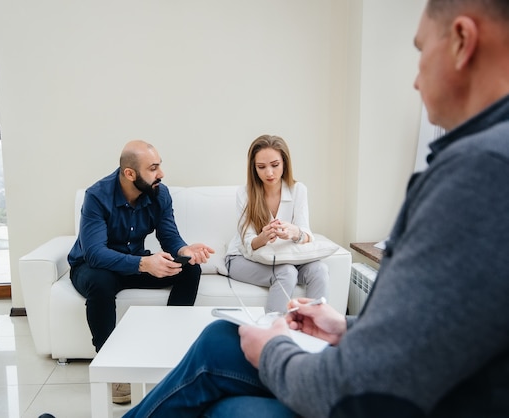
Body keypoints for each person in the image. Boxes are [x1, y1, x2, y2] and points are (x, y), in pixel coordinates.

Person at [123, 1, 509, 416]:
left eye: (420, 51)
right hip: (372, 364)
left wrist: (274, 351)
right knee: (221, 342)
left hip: (377, 394)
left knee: (229, 397)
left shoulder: (481, 169)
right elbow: (436, 332)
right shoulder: (480, 160)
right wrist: (348, 327)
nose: (415, 81)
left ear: (463, 42)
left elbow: (384, 378)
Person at [67, 140, 214, 404]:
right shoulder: (97, 196)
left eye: (160, 165)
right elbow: (95, 253)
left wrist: (185, 250)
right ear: (129, 174)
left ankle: (171, 351)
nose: (161, 174)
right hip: (92, 266)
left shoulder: (160, 193)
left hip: (133, 262)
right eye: (153, 168)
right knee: (101, 282)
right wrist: (143, 264)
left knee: (190, 270)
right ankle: (111, 367)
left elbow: (170, 238)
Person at [225, 135, 328, 314]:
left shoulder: (298, 190)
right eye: (261, 167)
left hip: (284, 255)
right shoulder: (244, 194)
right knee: (287, 272)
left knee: (319, 269)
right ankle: (273, 334)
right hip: (242, 258)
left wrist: (294, 232)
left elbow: (306, 234)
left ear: (285, 163)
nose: (269, 173)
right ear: (253, 168)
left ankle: (314, 329)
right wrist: (263, 237)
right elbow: (248, 242)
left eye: (275, 165)